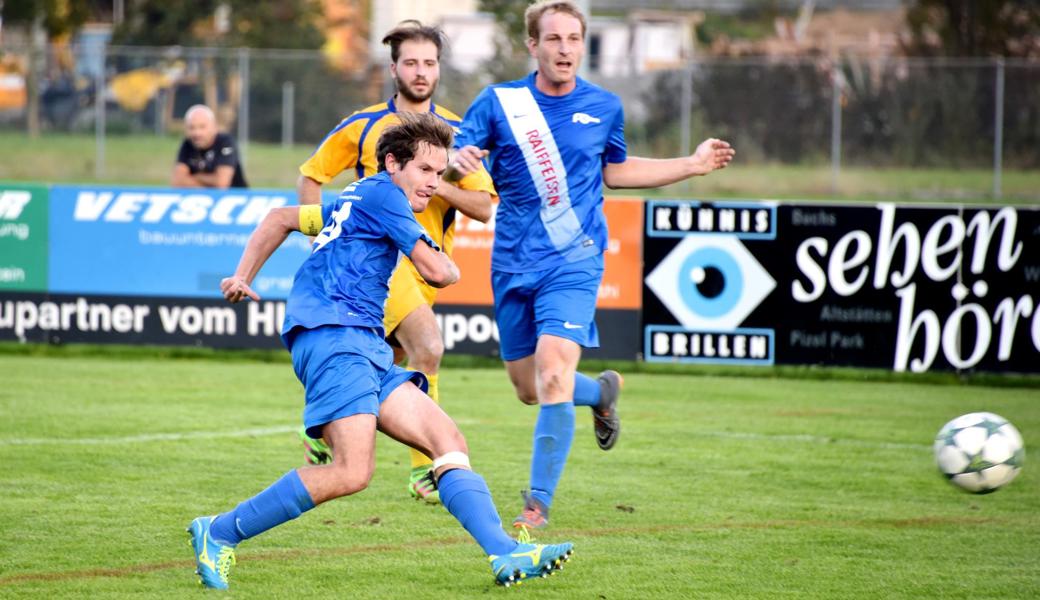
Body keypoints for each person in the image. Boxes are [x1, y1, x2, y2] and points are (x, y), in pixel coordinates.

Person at [186, 114, 573, 590]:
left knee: (446, 440)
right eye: (427, 171)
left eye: (441, 172)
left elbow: (281, 218)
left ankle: (506, 553)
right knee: (352, 471)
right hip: (334, 336)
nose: (435, 183)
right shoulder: (386, 196)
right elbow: (438, 272)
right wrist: (444, 261)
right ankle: (218, 532)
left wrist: (244, 274)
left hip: (363, 344)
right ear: (393, 163)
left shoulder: (357, 199)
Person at [450, 0, 736, 538]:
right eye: (553, 39)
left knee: (553, 372)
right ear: (532, 45)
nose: (565, 49)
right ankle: (601, 393)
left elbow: (618, 171)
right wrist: (458, 161)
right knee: (529, 388)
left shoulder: (604, 106)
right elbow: (459, 153)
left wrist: (692, 165)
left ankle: (536, 505)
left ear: (583, 44)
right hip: (512, 263)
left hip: (576, 262)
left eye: (574, 39)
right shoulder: (499, 101)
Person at [295, 21, 495, 505]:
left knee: (391, 362)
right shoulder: (364, 126)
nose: (421, 71)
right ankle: (426, 468)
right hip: (382, 266)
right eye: (411, 62)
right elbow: (312, 173)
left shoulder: (455, 132)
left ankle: (321, 430)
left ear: (439, 69)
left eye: (429, 62)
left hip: (423, 268)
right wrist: (321, 240)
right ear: (394, 68)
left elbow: (485, 207)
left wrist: (439, 178)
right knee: (428, 344)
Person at [172, 104, 249, 189]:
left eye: (202, 127)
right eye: (191, 128)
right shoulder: (187, 144)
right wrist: (211, 182)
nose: (197, 133)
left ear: (214, 127)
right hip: (200, 200)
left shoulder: (226, 143)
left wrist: (197, 177)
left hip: (235, 199)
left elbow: (221, 183)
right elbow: (177, 182)